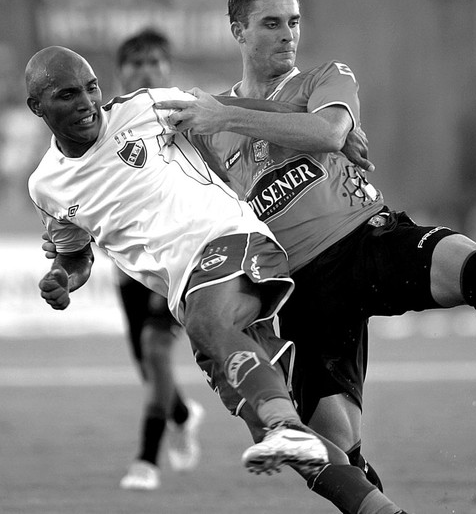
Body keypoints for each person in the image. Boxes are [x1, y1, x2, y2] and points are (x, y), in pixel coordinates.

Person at [155, 0, 476, 477]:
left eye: (294, 22)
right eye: (271, 24)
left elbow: (327, 130)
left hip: (367, 242)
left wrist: (228, 113)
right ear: (238, 32)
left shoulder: (321, 80)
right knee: (335, 446)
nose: (287, 34)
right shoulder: (207, 129)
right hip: (302, 289)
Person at [26, 45, 411, 514]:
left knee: (213, 331)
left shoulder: (147, 108)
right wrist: (65, 278)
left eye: (91, 88)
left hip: (232, 240)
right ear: (37, 107)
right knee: (292, 448)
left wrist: (334, 127)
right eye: (68, 95)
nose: (87, 102)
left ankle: (280, 421)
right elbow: (74, 253)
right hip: (189, 294)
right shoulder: (46, 186)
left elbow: (230, 110)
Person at [104, 27, 204, 492]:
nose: (145, 71)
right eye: (136, 63)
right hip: (130, 265)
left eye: (154, 63)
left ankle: (146, 460)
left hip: (182, 256)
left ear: (168, 68)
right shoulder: (104, 126)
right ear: (120, 71)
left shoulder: (186, 114)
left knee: (155, 348)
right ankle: (182, 415)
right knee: (147, 363)